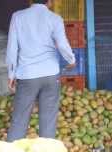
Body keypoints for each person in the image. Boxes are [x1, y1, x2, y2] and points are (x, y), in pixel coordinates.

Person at [5, 0, 76, 141]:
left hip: (27, 75)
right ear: (49, 2)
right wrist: (71, 60)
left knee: (19, 120)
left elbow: (12, 47)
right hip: (50, 74)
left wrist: (11, 74)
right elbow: (62, 44)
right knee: (48, 121)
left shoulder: (18, 16)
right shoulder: (55, 18)